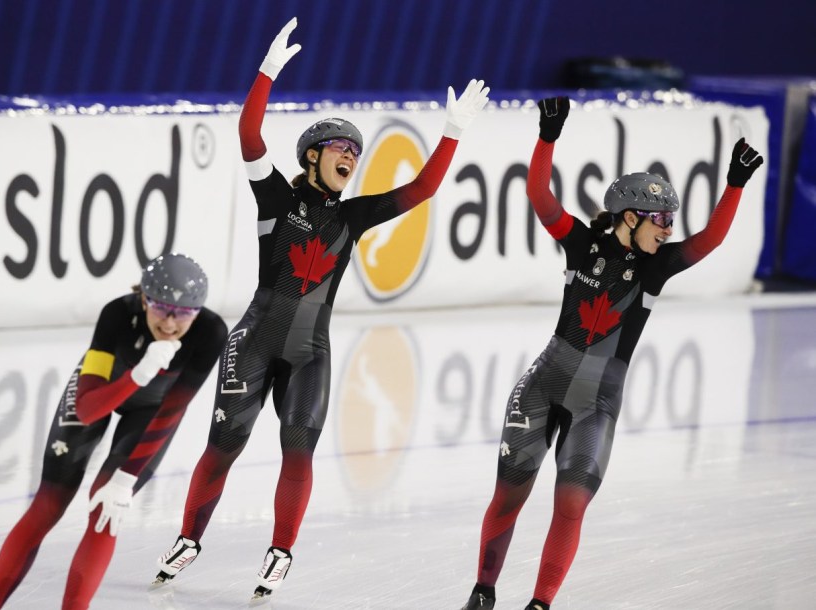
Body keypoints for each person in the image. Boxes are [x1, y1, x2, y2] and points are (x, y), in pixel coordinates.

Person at [150, 16, 489, 601]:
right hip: (255, 337)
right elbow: (250, 133)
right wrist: (267, 72)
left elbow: (422, 191)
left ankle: (281, 551)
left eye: (356, 151)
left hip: (311, 351)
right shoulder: (276, 195)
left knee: (298, 447)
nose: (351, 157)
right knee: (224, 444)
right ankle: (189, 538)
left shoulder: (353, 216)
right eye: (341, 148)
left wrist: (453, 131)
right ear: (312, 155)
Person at [459, 97, 764, 610]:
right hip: (544, 384)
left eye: (670, 220)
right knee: (510, 495)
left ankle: (540, 604)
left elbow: (710, 239)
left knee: (571, 504)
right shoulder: (583, 245)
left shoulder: (656, 267)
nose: (668, 228)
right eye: (661, 219)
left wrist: (734, 185)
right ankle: (483, 591)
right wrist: (547, 136)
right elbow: (538, 195)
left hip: (597, 402)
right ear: (630, 216)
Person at [0, 253, 228, 610]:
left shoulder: (211, 332)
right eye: (161, 308)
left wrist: (125, 478)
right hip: (103, 391)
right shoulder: (116, 315)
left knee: (106, 510)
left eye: (184, 313)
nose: (171, 323)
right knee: (48, 505)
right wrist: (137, 376)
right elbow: (87, 408)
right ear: (144, 298)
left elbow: (172, 409)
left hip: (152, 412)